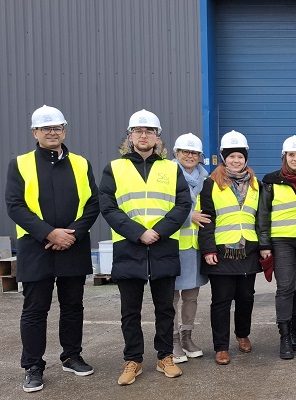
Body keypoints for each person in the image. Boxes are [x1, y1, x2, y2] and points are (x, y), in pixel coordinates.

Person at [6, 105, 100, 393]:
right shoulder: (20, 163)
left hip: (73, 244)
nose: (52, 132)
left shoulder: (81, 163)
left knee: (73, 306)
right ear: (34, 132)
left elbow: (93, 204)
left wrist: (72, 234)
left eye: (57, 127)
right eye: (45, 128)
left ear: (64, 131)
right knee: (35, 310)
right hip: (36, 247)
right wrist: (49, 233)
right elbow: (15, 205)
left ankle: (71, 356)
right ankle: (33, 366)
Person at [99, 109, 192, 385]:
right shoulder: (114, 168)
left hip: (163, 245)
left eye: (149, 131)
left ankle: (165, 357)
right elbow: (108, 206)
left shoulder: (171, 168)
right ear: (130, 136)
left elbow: (183, 204)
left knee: (165, 309)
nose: (143, 135)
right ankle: (133, 360)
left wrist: (158, 232)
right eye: (138, 131)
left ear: (157, 137)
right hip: (129, 247)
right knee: (130, 311)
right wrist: (139, 233)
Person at [199, 130, 263, 366]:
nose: (236, 160)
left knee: (246, 297)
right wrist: (208, 249)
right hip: (221, 251)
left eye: (240, 156)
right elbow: (206, 219)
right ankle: (221, 347)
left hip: (248, 250)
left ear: (246, 158)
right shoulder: (210, 184)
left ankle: (242, 334)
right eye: (231, 156)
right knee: (221, 301)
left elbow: (261, 218)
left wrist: (263, 246)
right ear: (224, 158)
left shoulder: (256, 184)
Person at [259, 135, 296, 360]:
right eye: (291, 154)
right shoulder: (271, 181)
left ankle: (295, 332)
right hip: (281, 241)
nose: (295, 159)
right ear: (284, 156)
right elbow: (263, 214)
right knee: (286, 287)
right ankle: (284, 337)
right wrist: (264, 244)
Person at [170, 133, 210, 364]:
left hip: (195, 246)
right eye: (185, 152)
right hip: (173, 245)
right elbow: (163, 206)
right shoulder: (167, 175)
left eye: (194, 152)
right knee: (171, 297)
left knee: (192, 296)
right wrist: (189, 217)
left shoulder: (205, 177)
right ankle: (173, 340)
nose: (190, 156)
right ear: (176, 153)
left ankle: (187, 337)